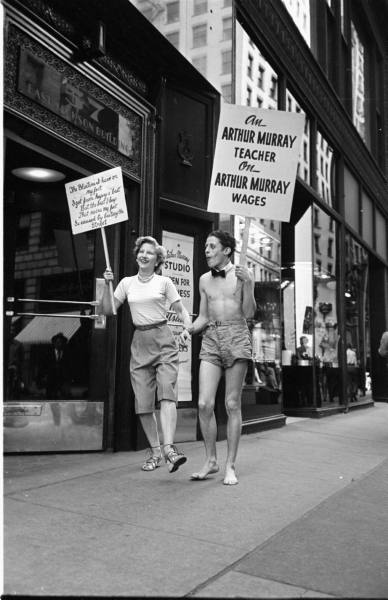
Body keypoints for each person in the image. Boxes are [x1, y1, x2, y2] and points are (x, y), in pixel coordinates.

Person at [99, 236, 192, 473]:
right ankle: (156, 451)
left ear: (157, 259)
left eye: (150, 252)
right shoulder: (127, 283)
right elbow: (108, 310)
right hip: (139, 342)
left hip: (163, 338)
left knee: (167, 393)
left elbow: (182, 312)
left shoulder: (164, 282)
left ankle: (170, 448)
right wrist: (105, 285)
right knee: (142, 403)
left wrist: (187, 331)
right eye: (141, 251)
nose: (144, 255)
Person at [180, 230, 256, 485]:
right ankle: (211, 460)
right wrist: (189, 329)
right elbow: (203, 316)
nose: (207, 250)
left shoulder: (243, 274)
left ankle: (230, 466)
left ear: (227, 250)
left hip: (237, 335)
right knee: (204, 404)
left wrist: (249, 285)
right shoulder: (203, 279)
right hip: (211, 338)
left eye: (212, 246)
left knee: (232, 404)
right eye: (205, 246)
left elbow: (248, 313)